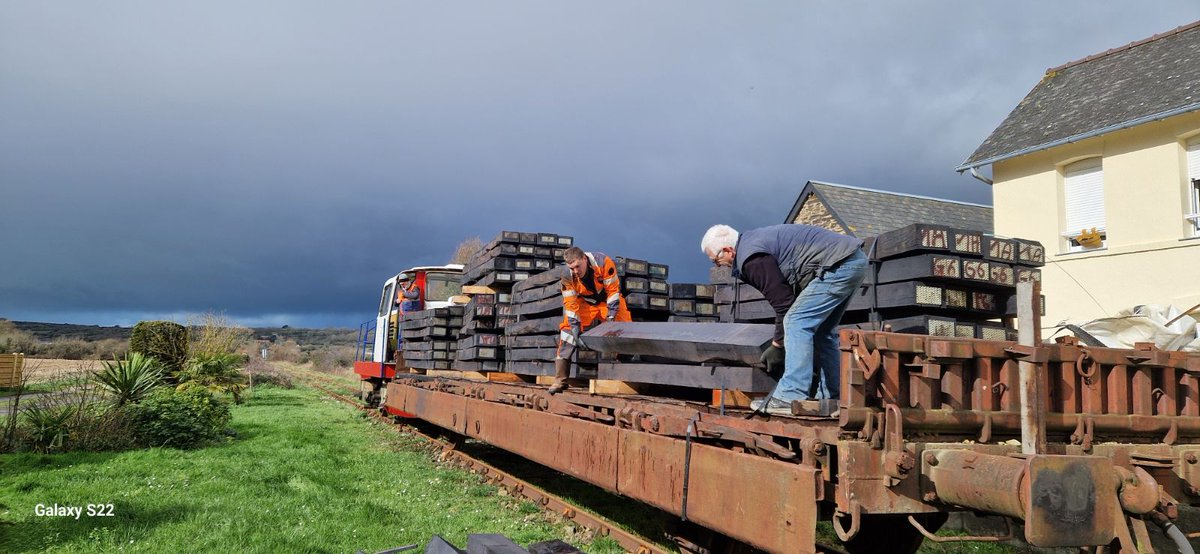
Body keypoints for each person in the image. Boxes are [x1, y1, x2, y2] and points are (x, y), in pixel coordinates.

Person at [701, 224, 867, 415]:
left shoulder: (751, 259)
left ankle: (790, 395)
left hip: (838, 266)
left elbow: (784, 304)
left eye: (716, 260)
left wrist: (777, 345)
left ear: (728, 250)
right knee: (822, 331)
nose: (719, 265)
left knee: (796, 322)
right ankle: (833, 398)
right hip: (853, 260)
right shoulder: (755, 242)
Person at [548, 246, 633, 394]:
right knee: (567, 331)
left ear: (584, 259)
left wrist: (611, 317)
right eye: (571, 267)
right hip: (585, 303)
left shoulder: (604, 262)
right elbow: (570, 302)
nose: (576, 271)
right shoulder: (566, 275)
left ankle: (625, 371)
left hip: (607, 300)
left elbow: (613, 291)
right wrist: (575, 326)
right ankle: (560, 380)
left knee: (625, 327)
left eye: (577, 266)